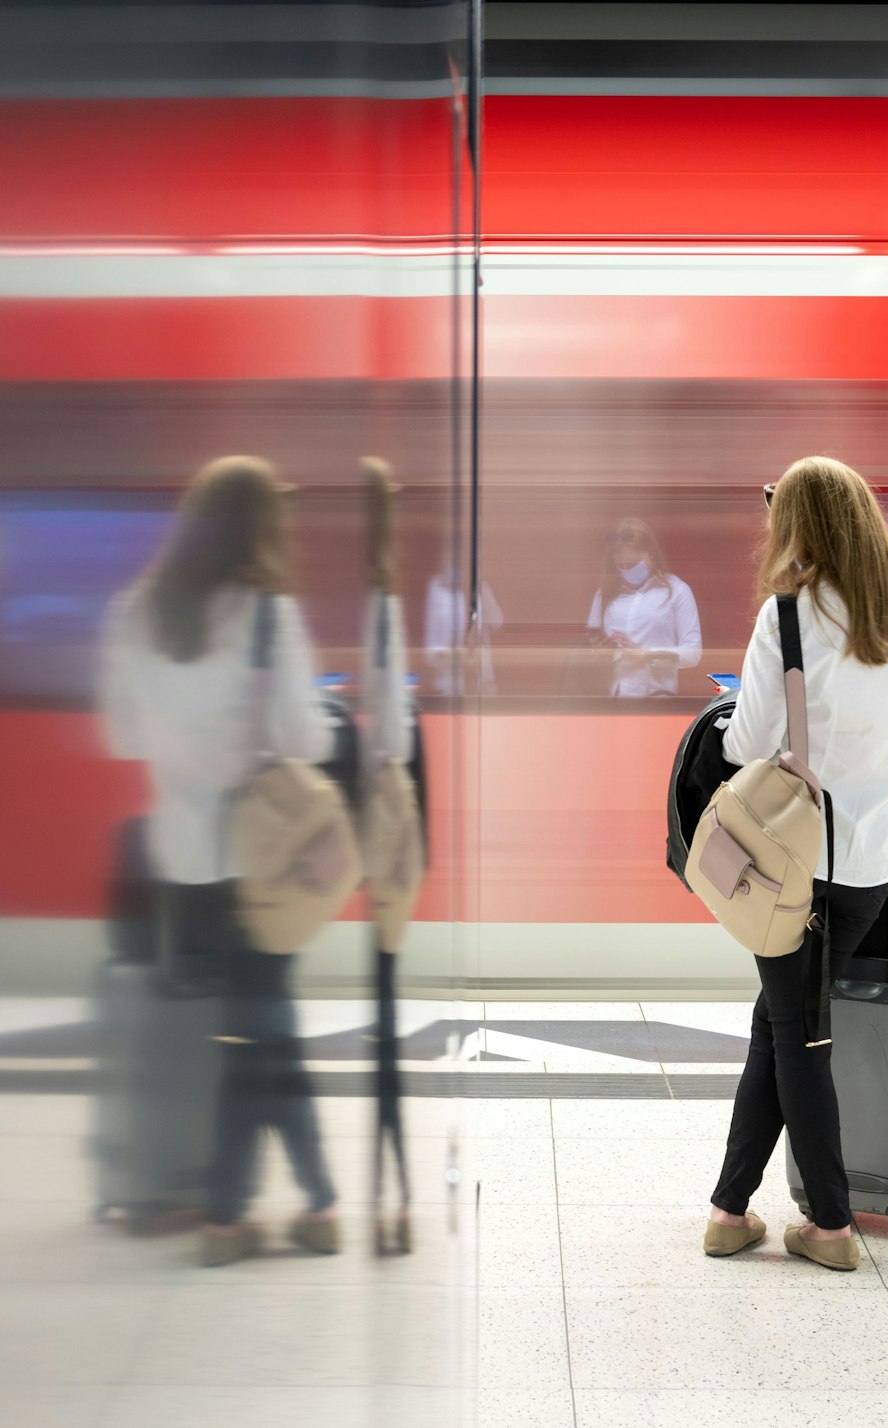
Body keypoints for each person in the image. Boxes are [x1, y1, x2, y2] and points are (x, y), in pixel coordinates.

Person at [704, 457, 888, 1272]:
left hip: (791, 864)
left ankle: (829, 1225)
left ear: (795, 524)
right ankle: (727, 1209)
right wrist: (875, 745)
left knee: (799, 1033)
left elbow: (746, 744)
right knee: (781, 1019)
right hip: (872, 863)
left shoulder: (788, 615)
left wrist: (739, 726)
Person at [98, 456, 340, 1267]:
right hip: (260, 860)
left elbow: (120, 735)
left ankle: (308, 1201)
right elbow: (305, 736)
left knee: (250, 1027)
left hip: (182, 859)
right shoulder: (267, 615)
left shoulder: (135, 612)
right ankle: (237, 1216)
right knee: (260, 1027)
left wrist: (182, 744)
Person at [359, 458, 416, 1254]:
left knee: (261, 1022)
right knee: (381, 1016)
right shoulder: (377, 600)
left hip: (284, 834)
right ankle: (386, 1197)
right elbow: (394, 733)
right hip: (357, 832)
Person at [585, 517, 702, 697]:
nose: (626, 570)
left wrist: (645, 655)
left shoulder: (678, 592)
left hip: (656, 699)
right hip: (612, 699)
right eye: (620, 565)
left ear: (651, 554)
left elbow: (693, 654)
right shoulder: (604, 594)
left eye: (632, 563)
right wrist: (598, 651)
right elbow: (591, 643)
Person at [423, 561, 503, 696]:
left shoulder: (481, 591)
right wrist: (435, 662)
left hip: (479, 675)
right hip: (450, 674)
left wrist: (485, 596)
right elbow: (432, 636)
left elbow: (497, 622)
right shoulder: (439, 589)